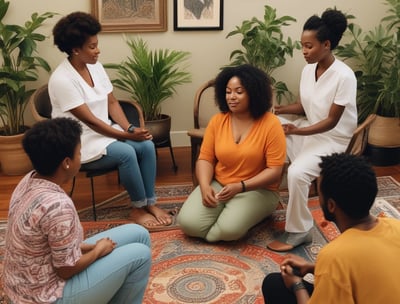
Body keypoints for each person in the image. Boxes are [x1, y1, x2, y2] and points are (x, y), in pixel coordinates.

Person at [3, 117, 152, 304]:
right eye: (79, 153)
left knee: (139, 234)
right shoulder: (57, 205)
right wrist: (98, 250)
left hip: (31, 279)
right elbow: (66, 269)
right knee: (140, 255)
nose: (81, 158)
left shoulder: (28, 180)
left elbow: (46, 246)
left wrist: (89, 247)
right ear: (66, 162)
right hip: (44, 297)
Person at [48, 11, 172, 229]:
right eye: (92, 46)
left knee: (146, 145)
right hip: (79, 141)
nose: (98, 50)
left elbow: (112, 103)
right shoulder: (62, 79)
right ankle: (137, 207)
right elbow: (92, 123)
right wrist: (125, 136)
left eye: (97, 44)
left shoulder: (95, 66)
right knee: (127, 153)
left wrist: (130, 128)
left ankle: (149, 203)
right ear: (76, 50)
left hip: (104, 133)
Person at [267, 8, 357, 251]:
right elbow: (303, 106)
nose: (304, 52)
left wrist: (295, 131)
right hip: (309, 129)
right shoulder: (309, 70)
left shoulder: (344, 76)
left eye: (309, 46)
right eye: (302, 46)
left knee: (297, 173)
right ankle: (259, 195)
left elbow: (331, 121)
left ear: (326, 44)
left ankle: (300, 230)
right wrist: (278, 109)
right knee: (268, 126)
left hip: (332, 139)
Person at [262, 152, 400, 303]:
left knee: (273, 285)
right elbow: (368, 270)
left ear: (331, 205)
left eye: (319, 192)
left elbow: (346, 263)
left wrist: (297, 284)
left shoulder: (335, 256)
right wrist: (313, 268)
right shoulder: (395, 225)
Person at [177, 64, 286, 242]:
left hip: (258, 190)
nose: (231, 97)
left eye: (238, 92)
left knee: (227, 231)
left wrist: (240, 187)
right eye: (228, 92)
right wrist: (204, 186)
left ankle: (255, 212)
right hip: (220, 184)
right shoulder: (218, 121)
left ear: (253, 93)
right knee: (188, 223)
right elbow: (205, 158)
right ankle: (231, 211)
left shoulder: (271, 124)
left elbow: (275, 172)